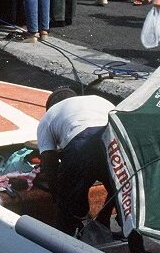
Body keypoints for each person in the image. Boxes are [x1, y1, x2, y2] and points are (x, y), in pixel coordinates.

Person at [33, 88, 117, 236]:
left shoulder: (48, 117)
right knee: (120, 190)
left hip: (81, 143)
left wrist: (60, 197)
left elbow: (49, 163)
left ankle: (64, 243)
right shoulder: (97, 100)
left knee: (66, 205)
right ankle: (135, 246)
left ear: (50, 106)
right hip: (114, 142)